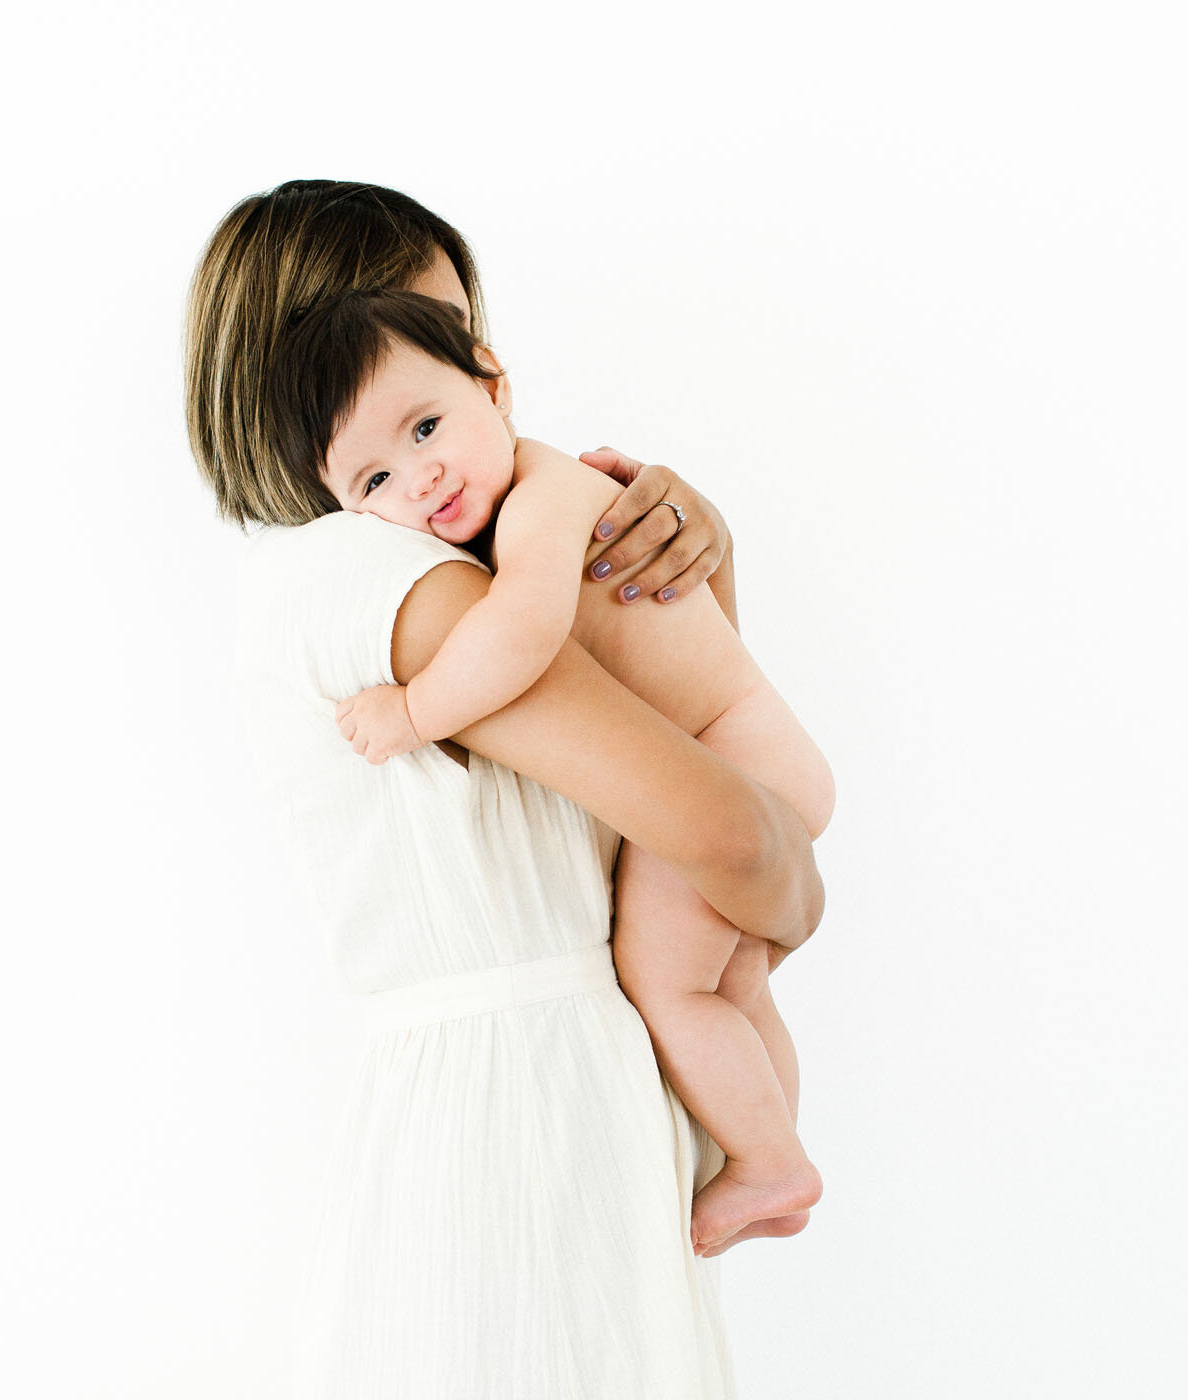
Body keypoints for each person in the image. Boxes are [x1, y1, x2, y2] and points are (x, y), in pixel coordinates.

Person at [186, 179, 825, 1397]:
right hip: (517, 1124)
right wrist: (786, 882)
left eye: (457, 333)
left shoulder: (460, 553)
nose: (470, 373)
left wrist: (692, 571)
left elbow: (680, 787)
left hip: (568, 1105)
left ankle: (769, 1151)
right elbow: (731, 834)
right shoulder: (375, 580)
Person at [267, 288, 835, 1257]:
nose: (421, 475)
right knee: (732, 991)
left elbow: (522, 634)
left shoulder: (543, 494)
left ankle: (772, 1160)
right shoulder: (503, 508)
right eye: (374, 479)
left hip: (735, 759)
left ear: (495, 384)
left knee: (664, 984)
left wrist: (410, 711)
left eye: (428, 424)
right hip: (753, 752)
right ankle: (771, 1149)